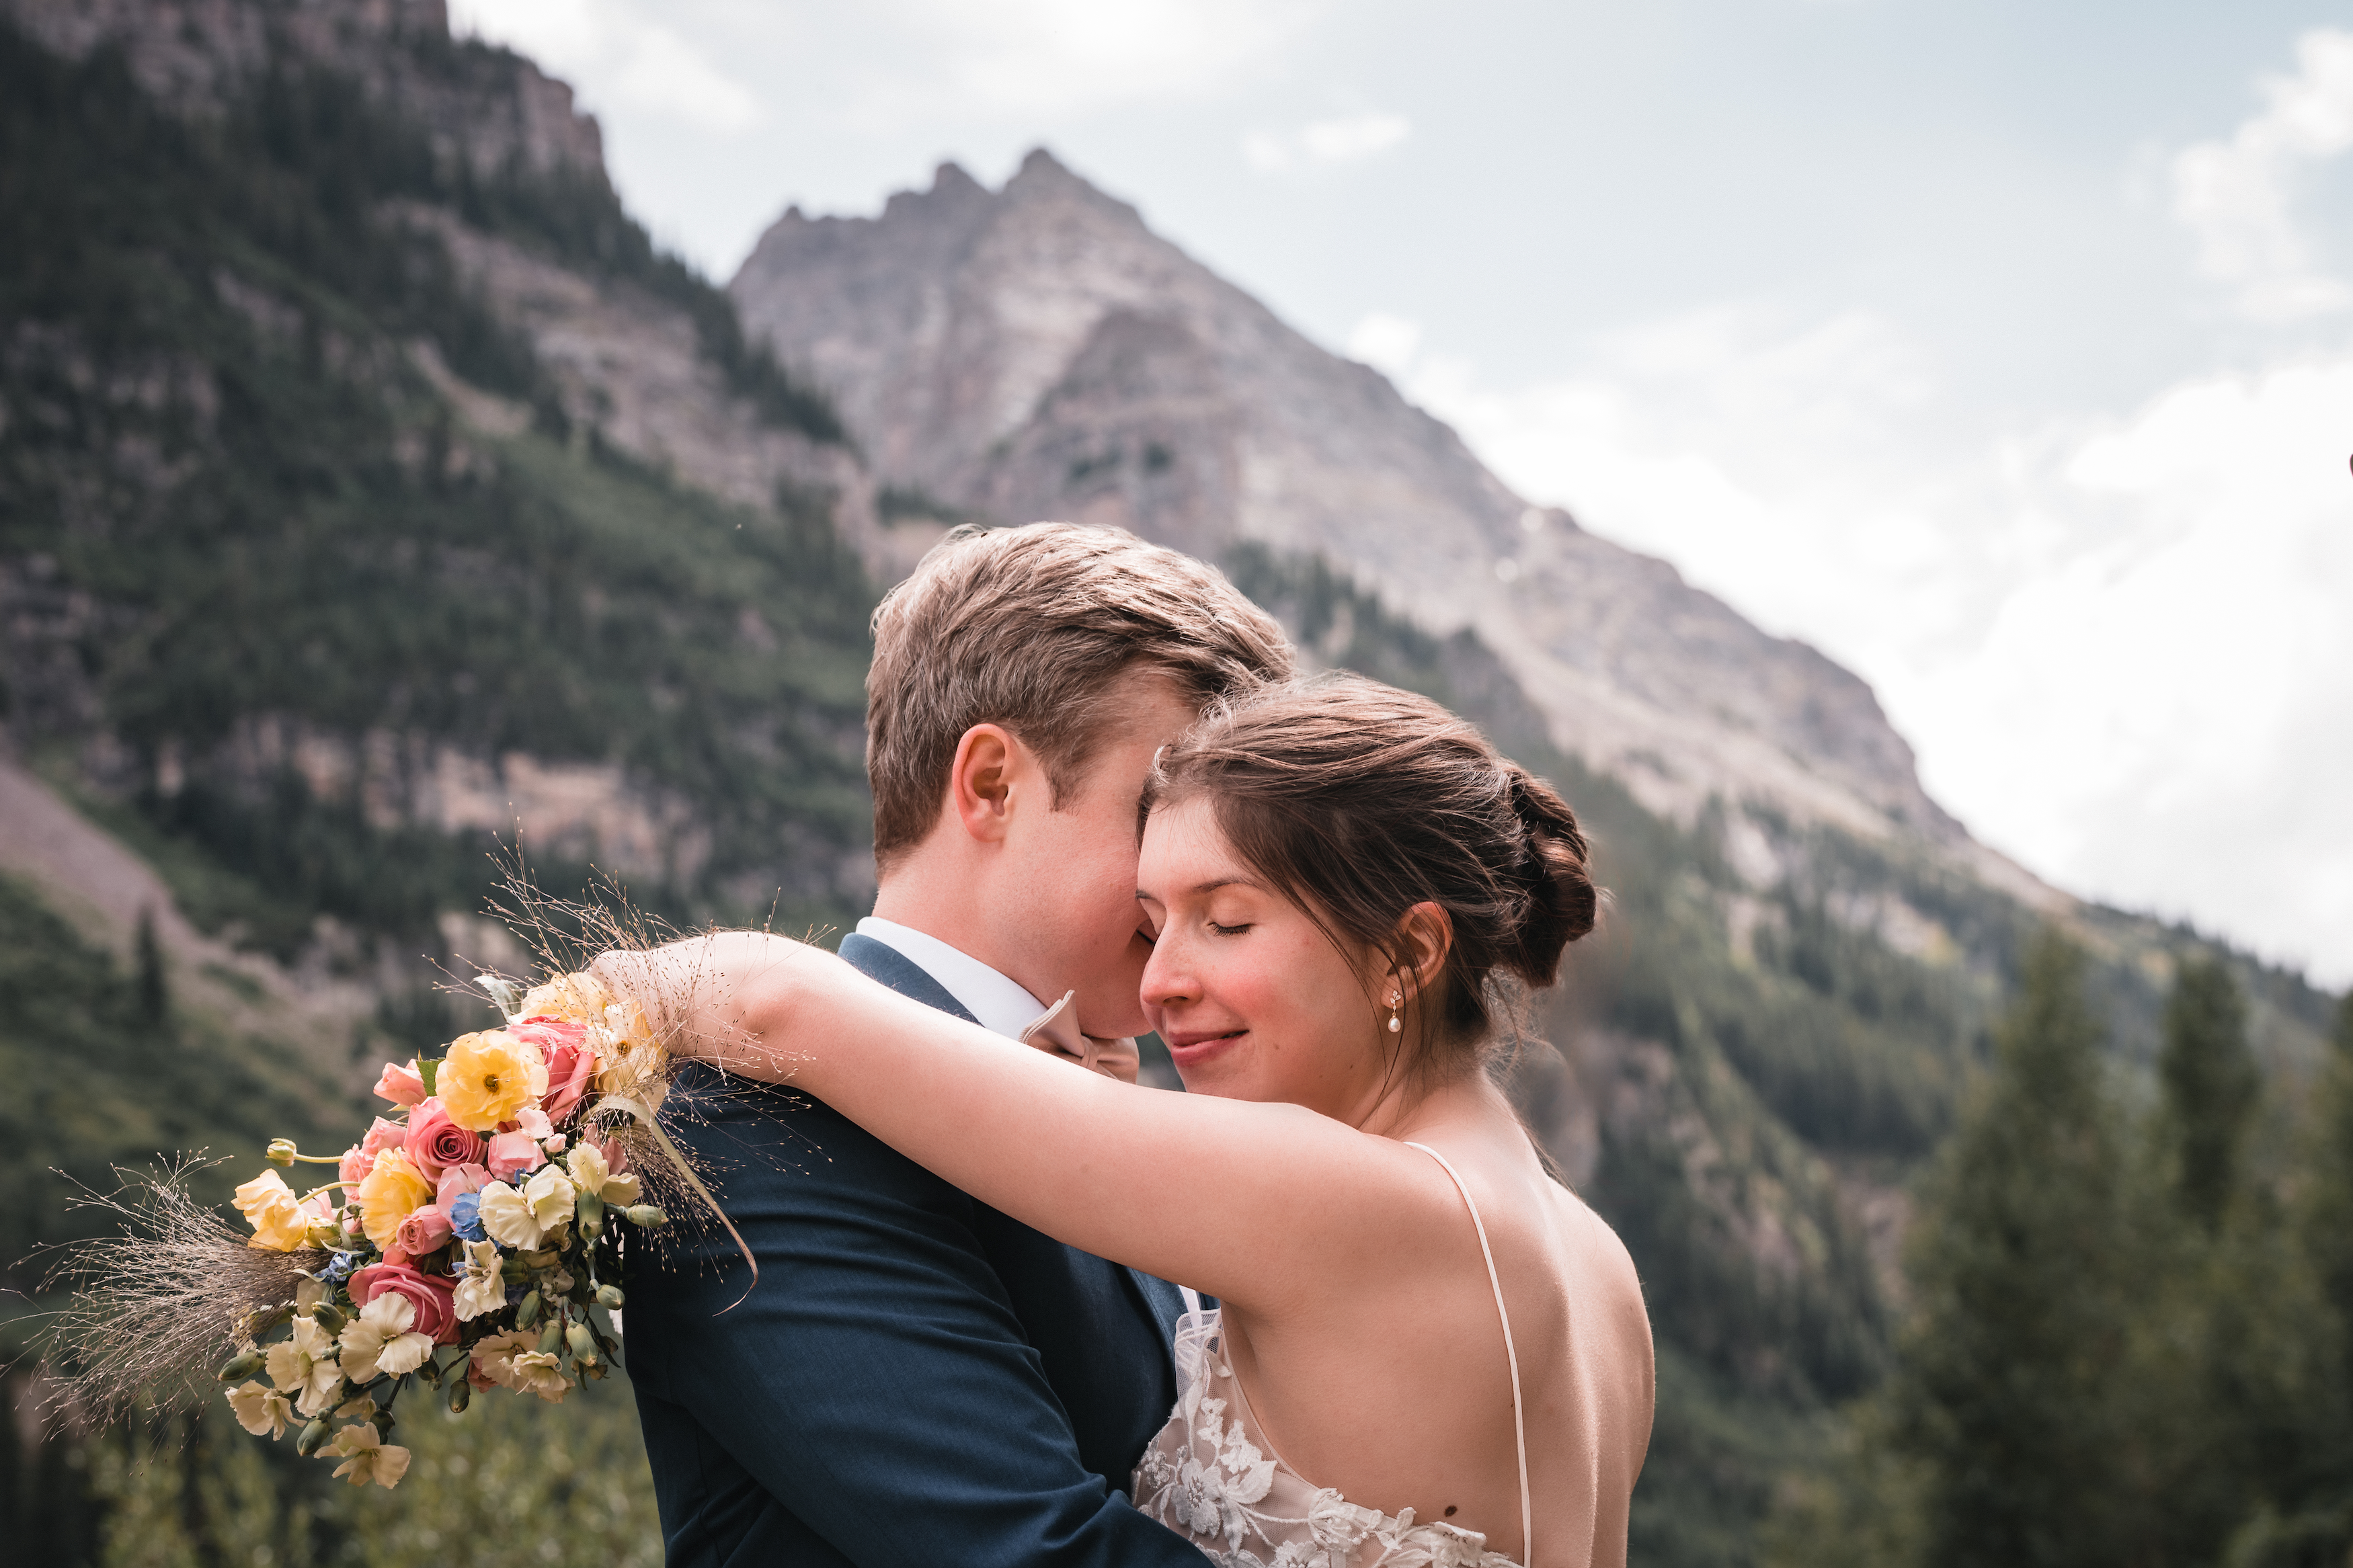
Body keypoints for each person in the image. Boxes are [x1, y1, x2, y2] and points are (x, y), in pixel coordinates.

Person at [615, 677, 1658, 1568]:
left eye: (1228, 920)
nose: (1159, 985)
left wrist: (560, 1040)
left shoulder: (1337, 1196)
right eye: (1151, 927)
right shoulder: (1595, 1265)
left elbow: (770, 1003)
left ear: (1410, 954)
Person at [621, 522, 1294, 1565]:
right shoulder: (757, 1121)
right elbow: (1035, 1551)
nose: (1207, 876)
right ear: (991, 785)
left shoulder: (1158, 1110)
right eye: (1161, 813)